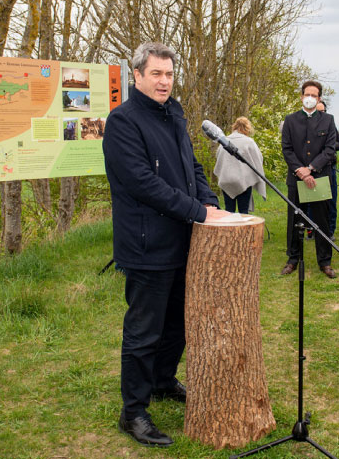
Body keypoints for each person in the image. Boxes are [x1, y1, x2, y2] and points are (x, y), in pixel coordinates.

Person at [103, 42, 229, 447]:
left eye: (169, 74)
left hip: (183, 240)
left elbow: (191, 165)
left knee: (177, 322)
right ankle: (133, 410)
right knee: (144, 331)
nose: (163, 81)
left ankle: (160, 381)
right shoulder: (123, 122)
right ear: (136, 76)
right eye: (156, 74)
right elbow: (143, 183)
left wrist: (207, 202)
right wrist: (197, 210)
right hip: (146, 244)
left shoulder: (174, 114)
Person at [280, 80, 338, 279]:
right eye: (307, 94)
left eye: (314, 95)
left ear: (319, 98)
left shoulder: (328, 120)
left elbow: (330, 149)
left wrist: (311, 169)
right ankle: (293, 259)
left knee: (321, 221)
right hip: (296, 179)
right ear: (302, 96)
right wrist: (301, 171)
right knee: (295, 220)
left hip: (319, 178)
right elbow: (287, 149)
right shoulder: (290, 120)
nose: (310, 98)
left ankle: (325, 261)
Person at [213, 116, 266, 214]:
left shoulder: (224, 141)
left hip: (226, 180)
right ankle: (242, 229)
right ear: (247, 128)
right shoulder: (249, 142)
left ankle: (229, 228)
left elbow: (218, 157)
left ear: (235, 127)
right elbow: (258, 158)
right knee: (243, 211)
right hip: (243, 180)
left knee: (229, 210)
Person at [316, 100, 339, 239]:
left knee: (330, 201)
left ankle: (330, 231)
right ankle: (312, 230)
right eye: (318, 111)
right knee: (311, 202)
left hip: (328, 167)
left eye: (323, 111)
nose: (321, 114)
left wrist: (328, 146)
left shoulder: (330, 124)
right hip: (312, 169)